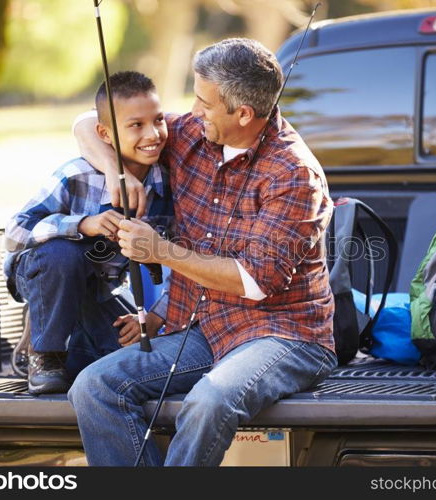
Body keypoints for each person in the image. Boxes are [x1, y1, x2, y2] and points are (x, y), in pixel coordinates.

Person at [69, 38, 336, 466]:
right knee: (93, 386)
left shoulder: (294, 174)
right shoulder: (197, 134)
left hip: (284, 335)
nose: (193, 112)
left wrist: (161, 250)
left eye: (204, 103)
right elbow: (88, 122)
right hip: (205, 328)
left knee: (208, 400)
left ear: (243, 113)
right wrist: (114, 170)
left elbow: (254, 281)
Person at [4, 71, 172, 395]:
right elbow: (14, 233)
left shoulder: (166, 184)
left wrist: (156, 316)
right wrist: (80, 224)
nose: (153, 133)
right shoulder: (76, 174)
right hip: (43, 273)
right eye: (136, 125)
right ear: (105, 134)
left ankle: (72, 354)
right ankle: (44, 353)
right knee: (63, 254)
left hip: (100, 291)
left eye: (159, 120)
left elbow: (181, 254)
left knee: (129, 368)